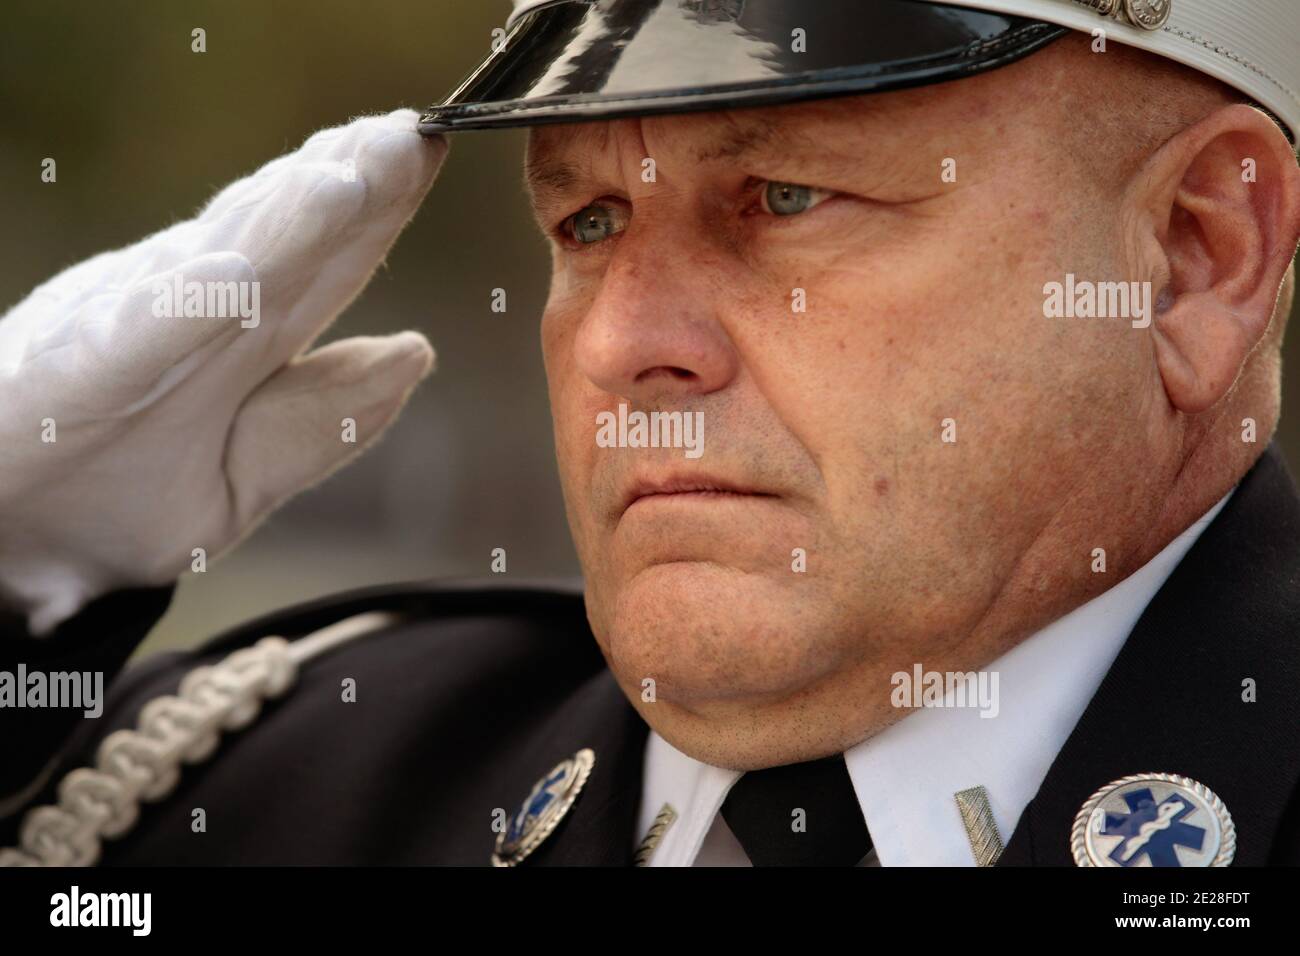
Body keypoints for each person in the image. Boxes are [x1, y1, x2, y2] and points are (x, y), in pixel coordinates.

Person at [2, 0, 1298, 867]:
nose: (623, 346)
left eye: (785, 197)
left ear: (1192, 260)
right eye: (589, 223)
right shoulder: (278, 791)